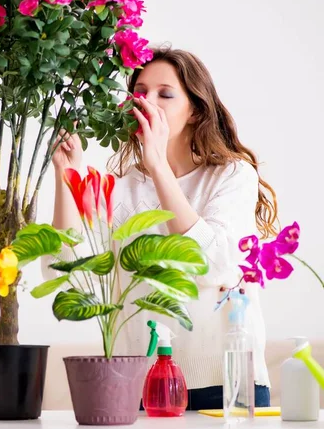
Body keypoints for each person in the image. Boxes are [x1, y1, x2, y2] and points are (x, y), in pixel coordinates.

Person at [43, 47, 277, 410]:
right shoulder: (121, 188)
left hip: (227, 385)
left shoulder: (231, 176)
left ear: (196, 110)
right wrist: (66, 176)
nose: (146, 102)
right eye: (139, 92)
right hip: (137, 387)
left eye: (165, 94)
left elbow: (215, 264)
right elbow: (73, 276)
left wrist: (157, 165)